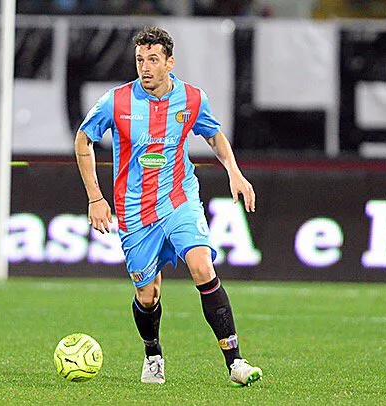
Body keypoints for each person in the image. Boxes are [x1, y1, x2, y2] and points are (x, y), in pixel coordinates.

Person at [73, 27, 263, 386]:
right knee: (148, 295)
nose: (145, 67)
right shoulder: (116, 101)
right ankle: (153, 352)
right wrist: (95, 198)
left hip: (179, 198)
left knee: (201, 266)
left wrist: (234, 173)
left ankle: (235, 362)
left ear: (169, 62)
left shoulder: (191, 99)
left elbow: (213, 133)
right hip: (134, 210)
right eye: (140, 60)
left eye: (153, 60)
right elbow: (84, 138)